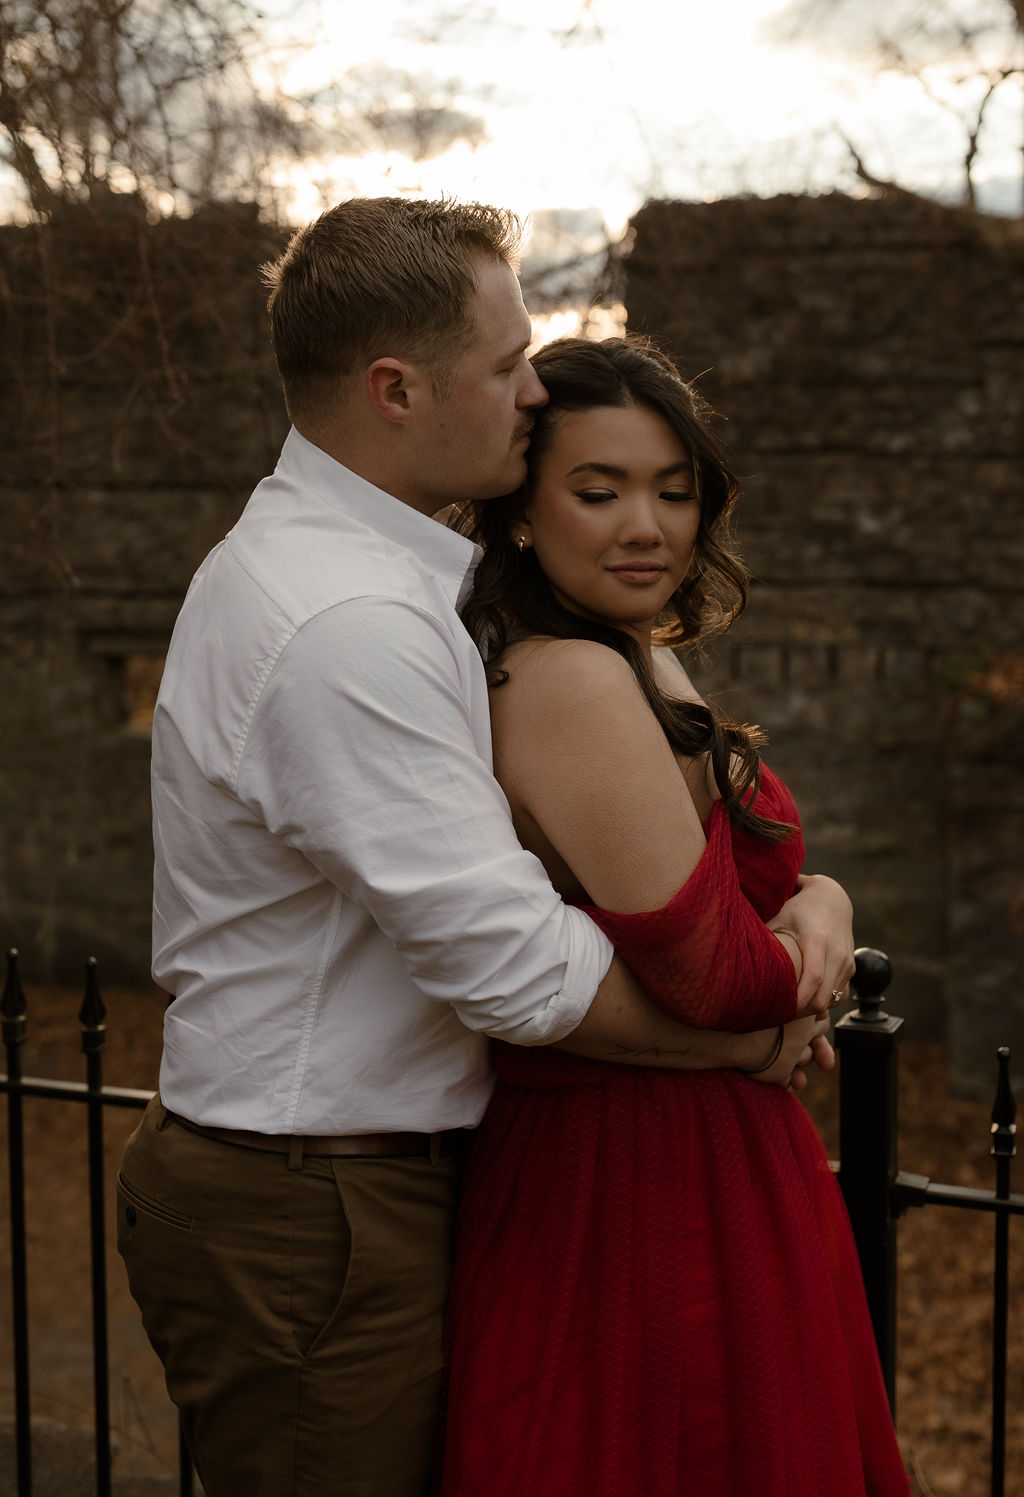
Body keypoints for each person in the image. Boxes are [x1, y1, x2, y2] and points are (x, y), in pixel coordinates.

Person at [115, 197, 848, 1497]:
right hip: (316, 1201)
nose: (534, 387)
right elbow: (516, 967)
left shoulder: (411, 577)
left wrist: (814, 906)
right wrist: (750, 1029)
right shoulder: (348, 618)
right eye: (508, 363)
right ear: (396, 389)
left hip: (387, 1174)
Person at [439, 335, 910, 1496]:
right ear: (519, 513)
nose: (644, 525)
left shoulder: (638, 656)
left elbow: (759, 903)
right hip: (629, 1184)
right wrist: (786, 1012)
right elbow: (718, 978)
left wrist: (825, 900)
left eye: (672, 489)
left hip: (716, 1155)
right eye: (596, 492)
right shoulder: (567, 678)